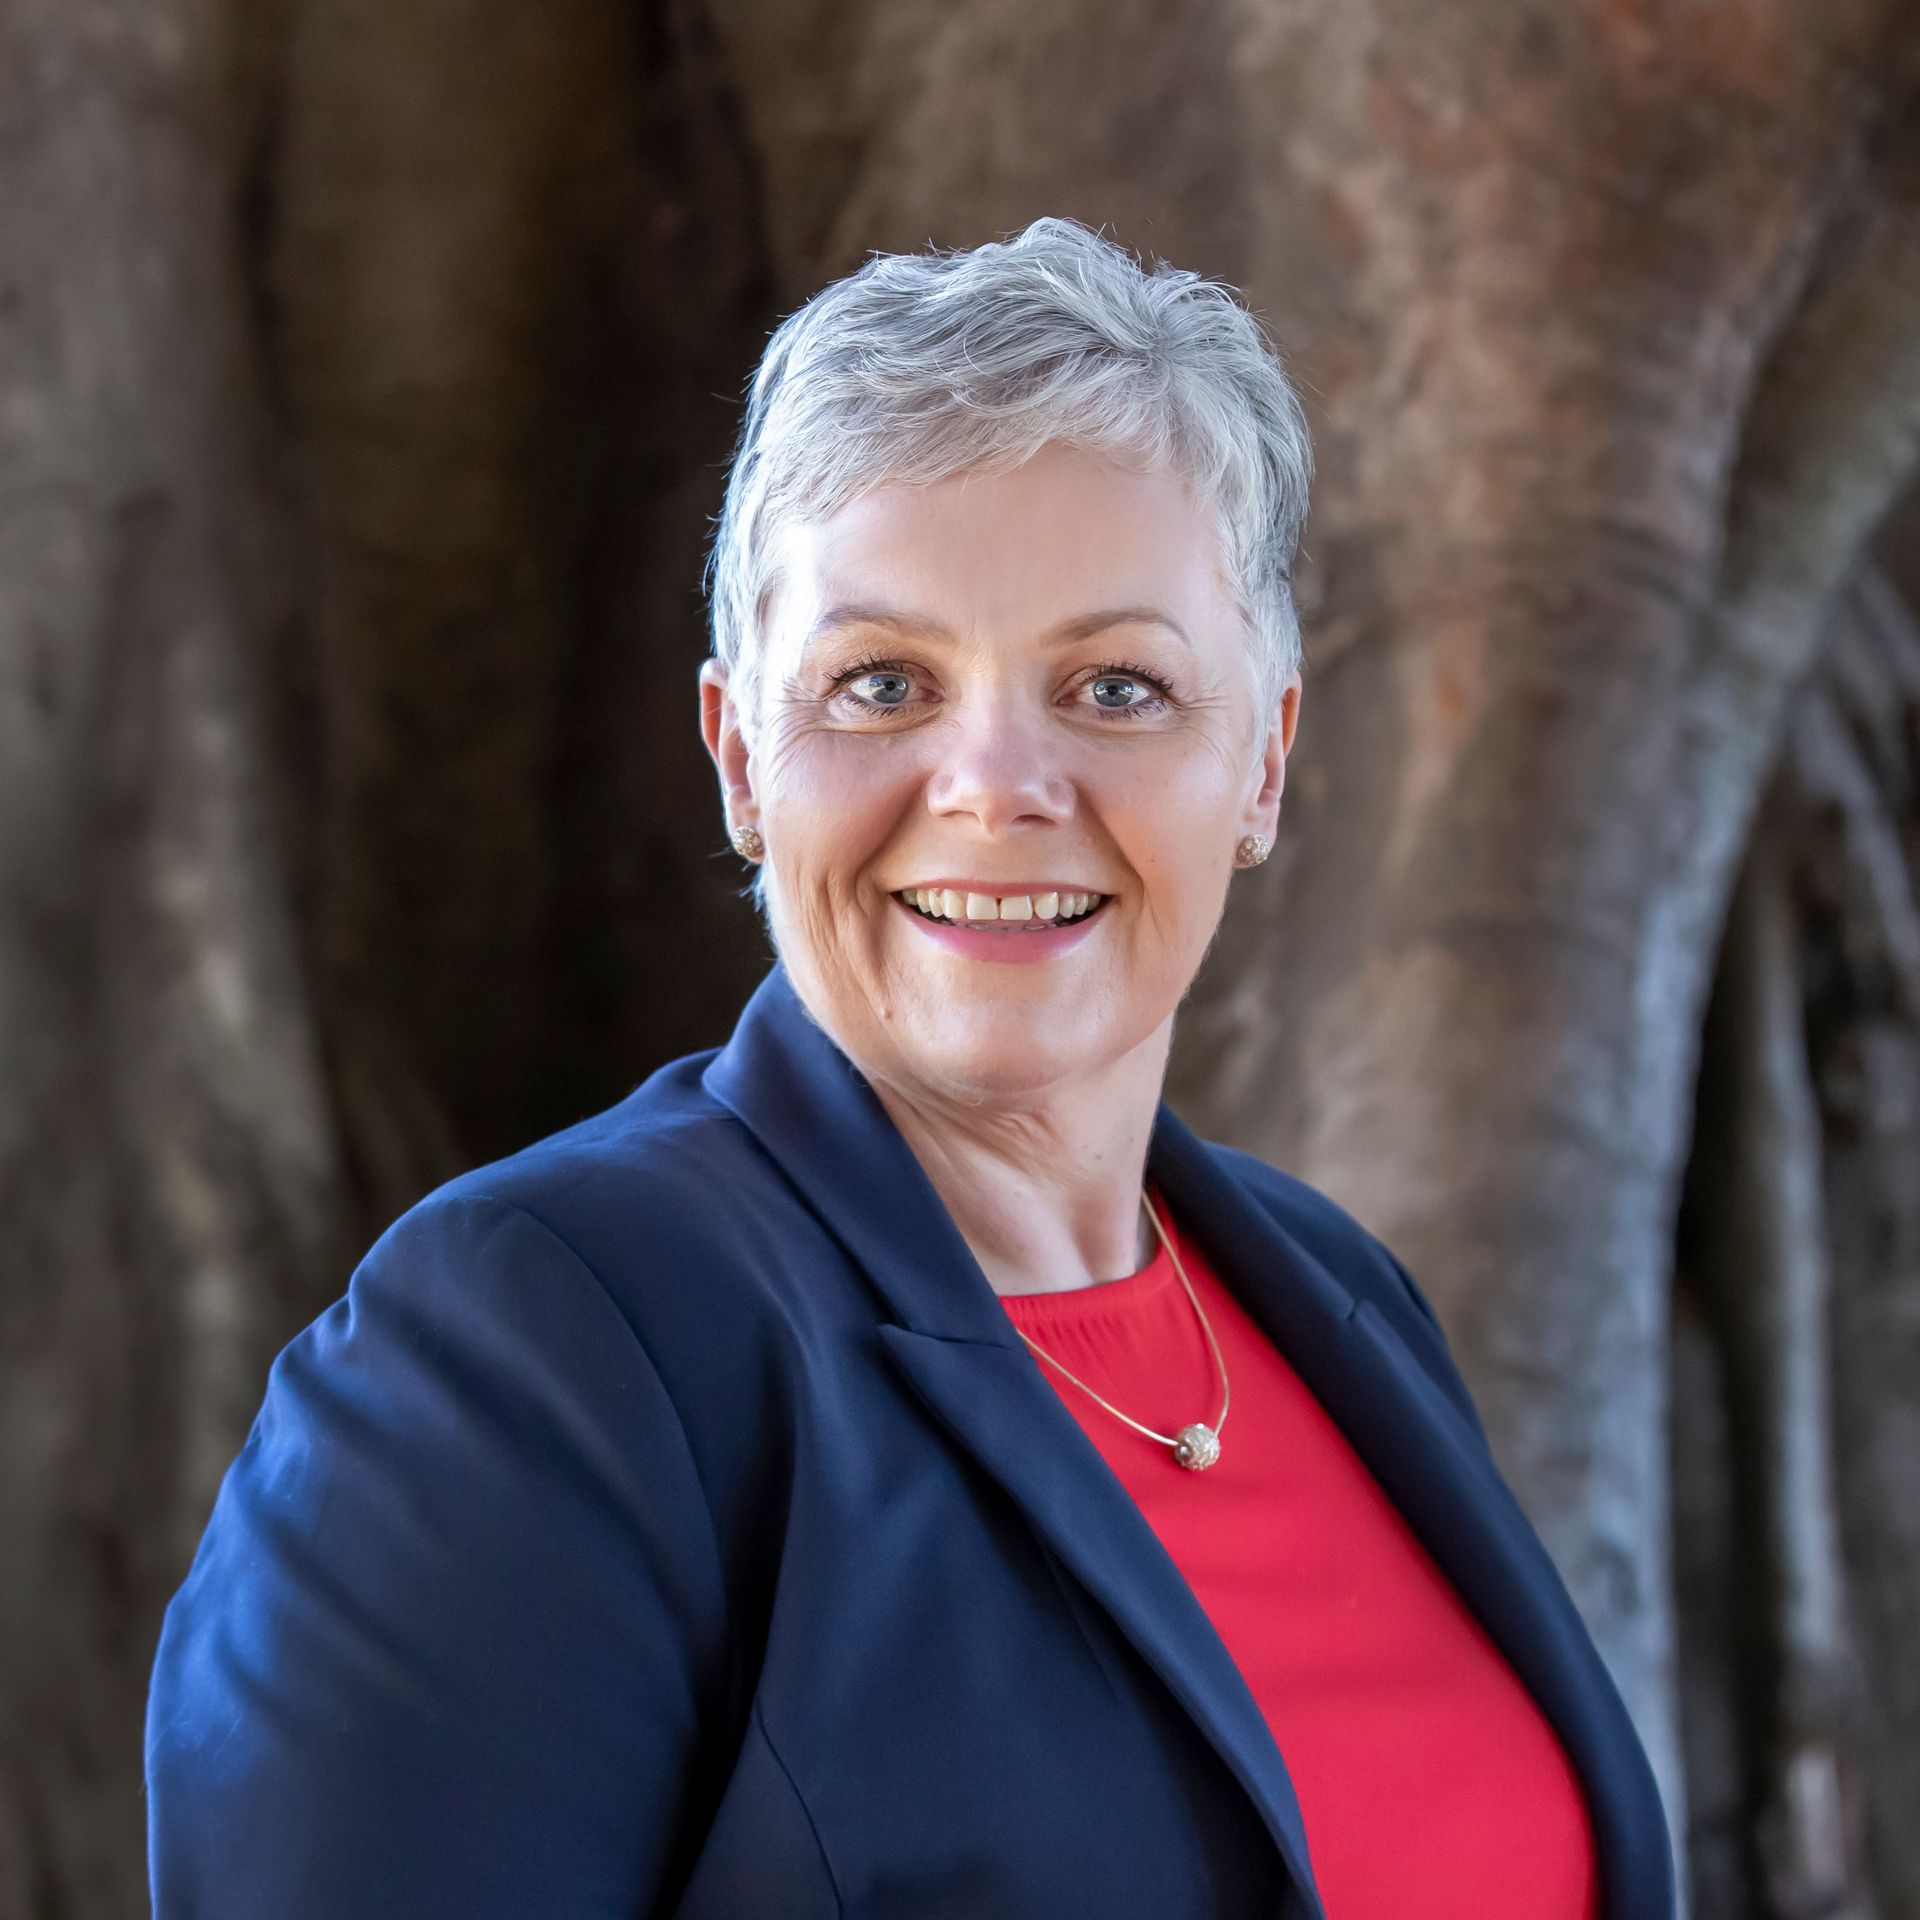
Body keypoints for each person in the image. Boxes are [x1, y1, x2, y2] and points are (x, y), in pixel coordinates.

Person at [146, 215, 1674, 1919]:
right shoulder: (529, 1351)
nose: (996, 781)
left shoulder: (1342, 1302)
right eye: (882, 683)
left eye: (1117, 684)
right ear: (739, 760)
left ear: (1264, 762)